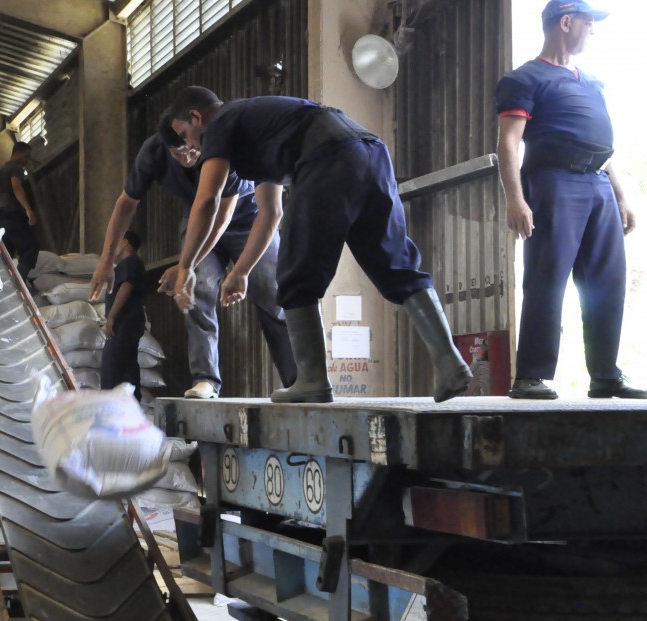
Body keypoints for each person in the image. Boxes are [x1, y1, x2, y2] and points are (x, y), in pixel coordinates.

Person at [161, 86, 472, 403]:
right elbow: (271, 212)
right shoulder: (258, 126)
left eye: (185, 134)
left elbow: (207, 201)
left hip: (326, 156)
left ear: (197, 117)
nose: (190, 145)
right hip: (370, 151)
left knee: (296, 275)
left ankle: (312, 380)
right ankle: (451, 363)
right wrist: (241, 271)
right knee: (396, 265)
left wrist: (185, 265)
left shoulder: (221, 124)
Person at [496, 0, 644, 399]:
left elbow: (603, 146)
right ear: (565, 22)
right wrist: (515, 199)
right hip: (553, 182)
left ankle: (606, 375)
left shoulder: (592, 81)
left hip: (597, 184)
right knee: (547, 278)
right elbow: (509, 142)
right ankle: (530, 375)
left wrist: (621, 194)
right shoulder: (525, 78)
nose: (592, 30)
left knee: (608, 282)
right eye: (588, 22)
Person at [89, 124, 296, 400]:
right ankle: (206, 379)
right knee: (197, 290)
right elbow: (126, 203)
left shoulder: (221, 140)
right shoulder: (152, 152)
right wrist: (105, 260)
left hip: (247, 220)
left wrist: (187, 264)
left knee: (271, 293)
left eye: (190, 150)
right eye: (178, 152)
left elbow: (221, 216)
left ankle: (297, 379)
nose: (187, 157)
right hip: (198, 219)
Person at [100, 231, 147, 399]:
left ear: (125, 242)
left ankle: (119, 405)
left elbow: (126, 288)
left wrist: (111, 317)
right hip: (126, 323)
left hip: (125, 323)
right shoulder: (128, 264)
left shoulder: (131, 262)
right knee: (125, 365)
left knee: (113, 366)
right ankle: (129, 404)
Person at [0, 141, 40, 284]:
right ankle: (19, 284)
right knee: (30, 247)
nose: (26, 162)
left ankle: (3, 284)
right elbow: (16, 187)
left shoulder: (2, 170)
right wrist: (29, 210)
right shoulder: (15, 168)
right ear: (17, 153)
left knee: (7, 251)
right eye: (26, 157)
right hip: (11, 213)